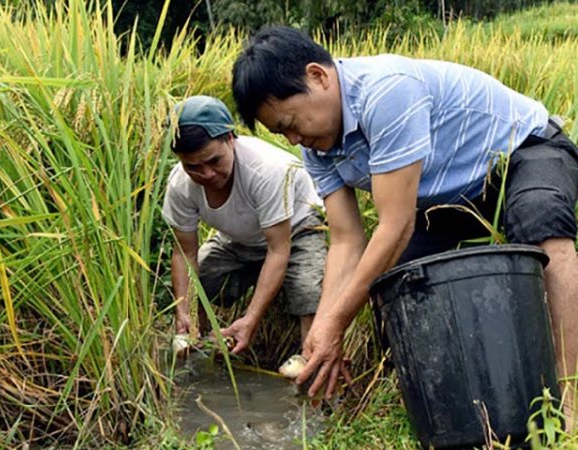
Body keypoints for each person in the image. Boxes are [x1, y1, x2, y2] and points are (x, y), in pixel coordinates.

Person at [231, 25, 578, 414]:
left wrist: (337, 322)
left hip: (523, 152)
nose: (293, 140)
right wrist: (322, 328)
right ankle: (448, 399)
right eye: (282, 133)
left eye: (290, 123)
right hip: (451, 196)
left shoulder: (386, 92)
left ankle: (568, 395)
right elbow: (346, 241)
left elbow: (395, 226)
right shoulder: (317, 149)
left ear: (318, 76)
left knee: (541, 223)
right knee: (397, 284)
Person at [162, 95, 327, 354]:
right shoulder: (180, 184)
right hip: (239, 238)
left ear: (230, 140)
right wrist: (185, 309)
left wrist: (250, 320)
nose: (206, 174)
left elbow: (278, 250)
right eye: (193, 166)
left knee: (308, 291)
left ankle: (311, 360)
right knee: (200, 283)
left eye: (214, 161)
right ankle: (199, 344)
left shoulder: (267, 171)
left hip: (296, 230)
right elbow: (185, 254)